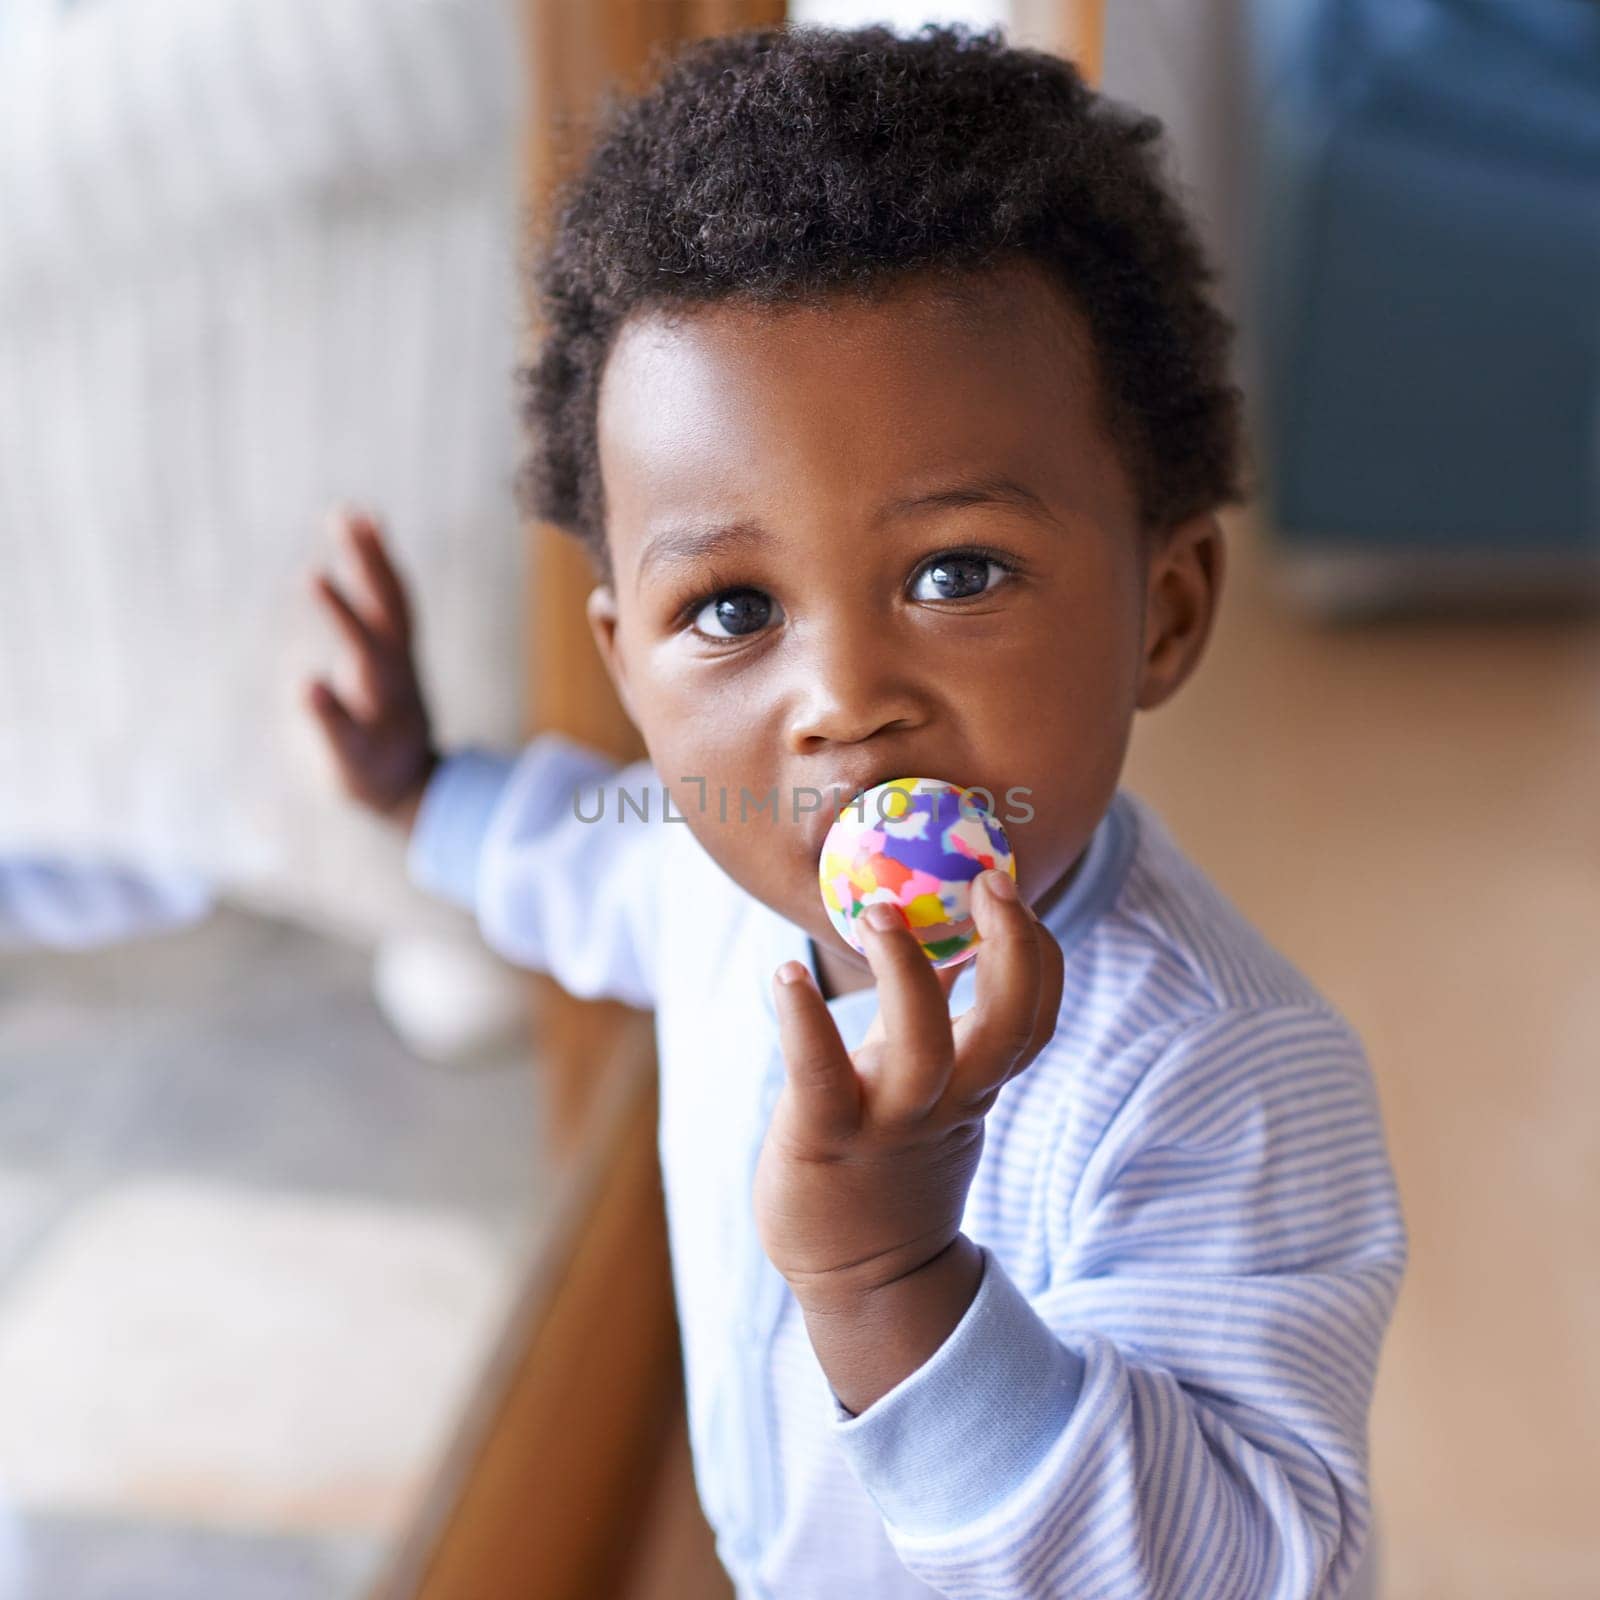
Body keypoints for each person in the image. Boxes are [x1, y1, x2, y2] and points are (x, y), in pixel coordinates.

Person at [304, 23, 1405, 1599]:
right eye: (735, 607)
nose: (842, 697)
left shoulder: (1213, 1079)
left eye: (956, 573)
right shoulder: (721, 879)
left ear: (1162, 614)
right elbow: (581, 870)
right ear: (630, 669)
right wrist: (425, 790)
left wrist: (900, 1279)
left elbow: (1241, 1565)